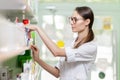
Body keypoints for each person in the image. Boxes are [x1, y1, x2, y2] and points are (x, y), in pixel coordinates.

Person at [29, 6, 97, 80]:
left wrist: (37, 28)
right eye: (71, 19)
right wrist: (37, 59)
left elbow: (56, 52)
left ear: (87, 22)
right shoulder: (72, 44)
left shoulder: (90, 47)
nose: (71, 22)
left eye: (75, 19)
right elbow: (57, 73)